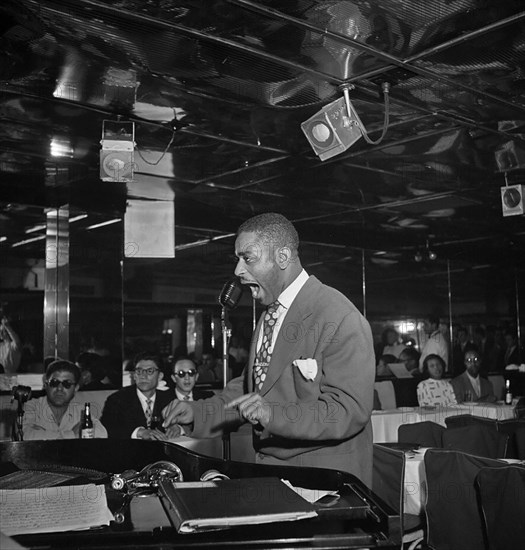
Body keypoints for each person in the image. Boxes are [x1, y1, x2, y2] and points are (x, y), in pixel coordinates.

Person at [163, 212, 375, 484]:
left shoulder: (340, 316)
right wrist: (198, 413)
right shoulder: (270, 314)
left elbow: (348, 411)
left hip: (323, 482)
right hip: (275, 475)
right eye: (238, 259)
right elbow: (255, 389)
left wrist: (273, 413)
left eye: (248, 258)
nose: (238, 271)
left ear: (283, 257)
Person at [21, 360, 107, 440]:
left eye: (67, 384)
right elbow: (24, 435)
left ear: (76, 388)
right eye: (54, 382)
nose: (59, 388)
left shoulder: (81, 411)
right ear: (46, 384)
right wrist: (72, 434)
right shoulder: (31, 407)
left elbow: (102, 434)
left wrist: (45, 434)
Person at [101, 354, 173, 439]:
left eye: (150, 371)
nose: (143, 376)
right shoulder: (117, 400)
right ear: (134, 376)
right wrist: (140, 432)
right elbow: (108, 428)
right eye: (139, 371)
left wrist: (177, 428)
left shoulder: (169, 399)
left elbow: (185, 424)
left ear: (160, 376)